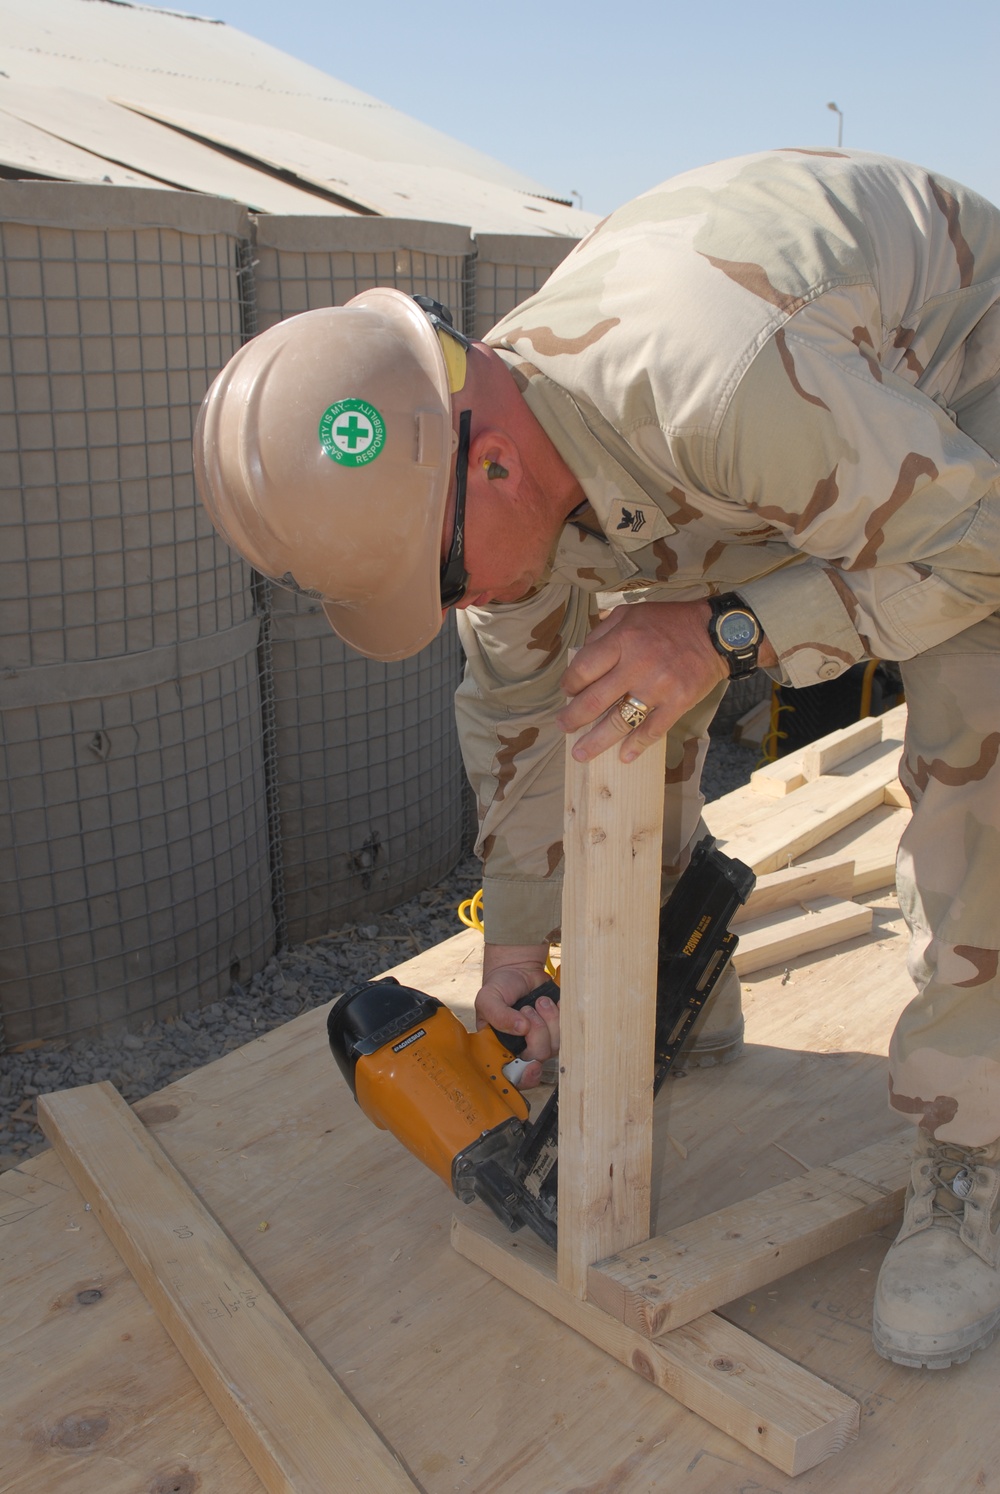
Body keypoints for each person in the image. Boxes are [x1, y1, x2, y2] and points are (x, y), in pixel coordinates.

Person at [194, 146, 1000, 1371]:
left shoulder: (716, 386)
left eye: (446, 575)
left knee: (978, 712)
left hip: (959, 391)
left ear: (495, 463)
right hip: (786, 425)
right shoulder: (489, 449)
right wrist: (520, 937)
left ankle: (974, 1150)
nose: (458, 601)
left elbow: (976, 544)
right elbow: (521, 714)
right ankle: (677, 974)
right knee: (611, 674)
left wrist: (733, 629)